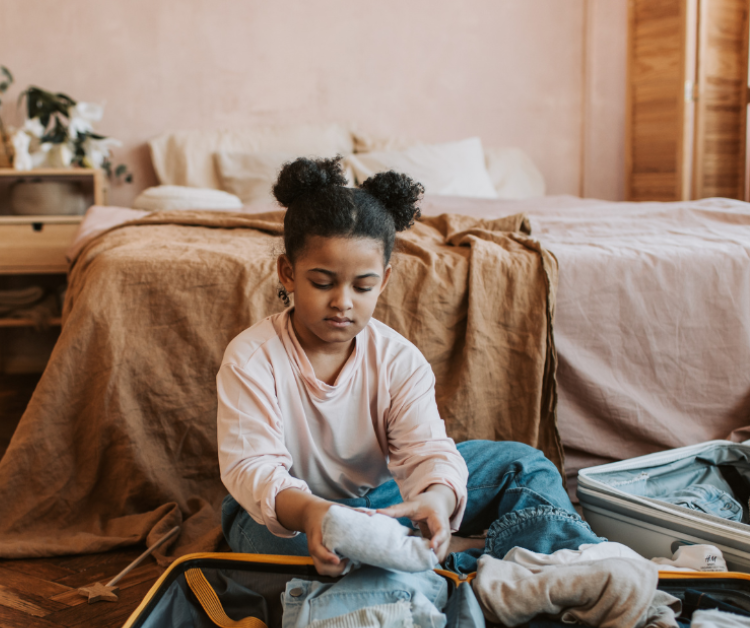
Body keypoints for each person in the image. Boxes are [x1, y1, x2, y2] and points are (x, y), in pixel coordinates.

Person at [217, 156, 602, 576]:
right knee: (265, 555)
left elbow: (425, 450)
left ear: (382, 280)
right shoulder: (252, 358)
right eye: (322, 282)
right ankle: (463, 554)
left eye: (362, 286)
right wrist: (316, 517)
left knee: (524, 466)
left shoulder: (398, 359)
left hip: (386, 503)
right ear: (288, 273)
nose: (343, 302)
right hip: (294, 518)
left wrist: (436, 497)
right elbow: (253, 470)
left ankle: (579, 567)